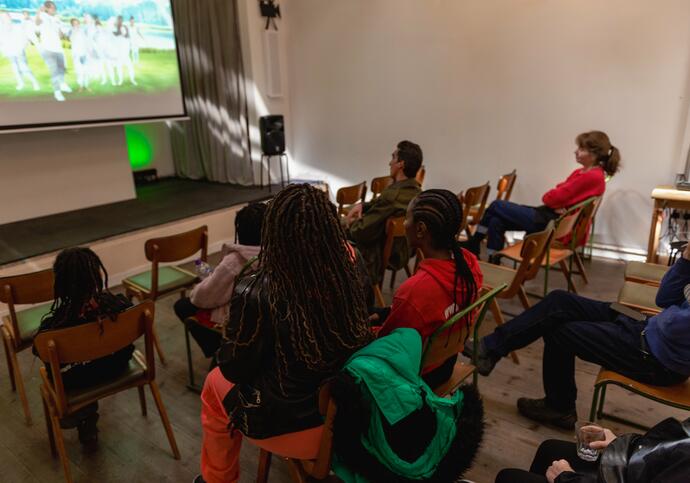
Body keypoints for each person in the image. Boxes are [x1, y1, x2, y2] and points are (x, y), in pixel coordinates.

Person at [197, 184, 373, 483]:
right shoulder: (352, 263)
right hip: (350, 411)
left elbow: (236, 367)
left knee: (214, 382)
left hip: (294, 429)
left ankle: (217, 479)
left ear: (275, 233)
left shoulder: (256, 288)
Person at [465, 242, 690, 430]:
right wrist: (686, 260)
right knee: (560, 300)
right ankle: (489, 347)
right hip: (647, 325)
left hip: (656, 358)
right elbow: (664, 299)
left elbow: (673, 328)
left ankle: (560, 407)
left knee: (560, 333)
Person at [373, 189, 483, 388]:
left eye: (406, 218)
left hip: (417, 376)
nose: (404, 224)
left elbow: (386, 347)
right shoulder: (469, 263)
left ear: (421, 229)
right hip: (445, 362)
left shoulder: (415, 291)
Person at [464, 131, 620, 261]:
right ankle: (493, 261)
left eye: (581, 149)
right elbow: (558, 193)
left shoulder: (591, 176)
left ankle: (475, 242)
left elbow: (549, 198)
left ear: (594, 154)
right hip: (550, 216)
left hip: (552, 225)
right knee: (496, 220)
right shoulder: (583, 172)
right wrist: (560, 202)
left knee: (497, 205)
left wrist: (559, 202)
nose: (576, 151)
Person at [33, 247, 133, 447]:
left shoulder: (55, 326)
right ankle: (87, 418)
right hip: (118, 367)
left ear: (59, 283)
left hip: (78, 382)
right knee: (93, 363)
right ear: (96, 275)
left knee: (61, 374)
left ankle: (84, 417)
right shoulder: (118, 307)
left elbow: (39, 351)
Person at [173, 202, 266, 366]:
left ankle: (218, 348)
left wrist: (202, 286)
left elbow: (203, 298)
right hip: (263, 315)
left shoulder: (234, 262)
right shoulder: (279, 253)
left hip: (239, 319)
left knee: (183, 305)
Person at [495, 417, 690, 482]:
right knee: (551, 448)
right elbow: (669, 447)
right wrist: (622, 445)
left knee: (508, 477)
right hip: (639, 470)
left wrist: (566, 479)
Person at [344, 140, 423, 283]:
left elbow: (360, 231)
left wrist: (349, 224)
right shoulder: (416, 191)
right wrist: (363, 206)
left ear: (401, 164)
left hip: (381, 255)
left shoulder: (392, 196)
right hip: (405, 250)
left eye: (393, 157)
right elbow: (380, 203)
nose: (389, 163)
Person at [35, 1, 71, 101]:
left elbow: (61, 34)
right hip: (47, 49)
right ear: (46, 8)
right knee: (54, 71)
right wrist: (39, 11)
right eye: (52, 8)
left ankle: (63, 84)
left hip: (58, 48)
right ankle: (57, 92)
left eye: (54, 8)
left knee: (62, 69)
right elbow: (37, 22)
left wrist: (61, 31)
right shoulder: (42, 15)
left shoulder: (56, 18)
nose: (54, 9)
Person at [0, 11, 40, 91]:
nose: (4, 19)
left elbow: (25, 37)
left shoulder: (17, 27)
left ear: (9, 17)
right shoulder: (2, 29)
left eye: (6, 17)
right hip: (9, 51)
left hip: (19, 51)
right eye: (2, 18)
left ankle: (34, 82)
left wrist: (23, 46)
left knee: (24, 67)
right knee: (15, 68)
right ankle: (21, 83)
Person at [69, 18, 89, 91]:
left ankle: (86, 85)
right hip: (76, 54)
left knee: (86, 70)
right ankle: (80, 86)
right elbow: (71, 39)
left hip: (84, 53)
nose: (76, 25)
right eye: (74, 24)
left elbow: (86, 40)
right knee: (79, 70)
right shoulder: (71, 31)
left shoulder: (83, 31)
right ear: (72, 25)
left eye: (77, 23)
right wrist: (76, 31)